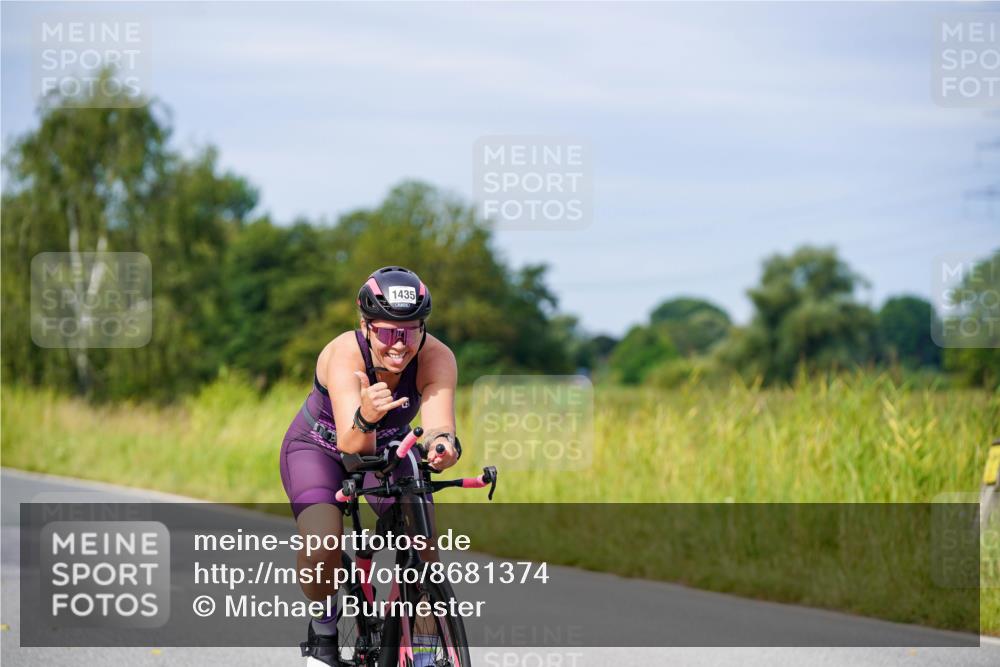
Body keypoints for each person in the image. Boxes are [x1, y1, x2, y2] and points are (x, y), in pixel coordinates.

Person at [279, 266, 461, 666]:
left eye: (410, 331)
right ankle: (323, 633)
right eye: (387, 331)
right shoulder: (344, 353)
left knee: (423, 551)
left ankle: (426, 656)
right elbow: (351, 443)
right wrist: (365, 414)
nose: (400, 344)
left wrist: (443, 446)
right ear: (365, 326)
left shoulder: (437, 356)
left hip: (391, 450)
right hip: (320, 448)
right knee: (322, 542)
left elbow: (438, 424)